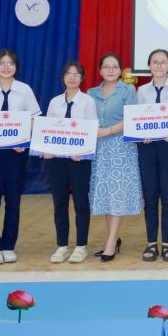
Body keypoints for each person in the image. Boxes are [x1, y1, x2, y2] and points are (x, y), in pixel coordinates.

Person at [0, 49, 40, 265]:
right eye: (2, 63)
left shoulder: (25, 90)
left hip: (16, 154)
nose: (6, 67)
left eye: (10, 63)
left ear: (16, 67)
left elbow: (34, 119)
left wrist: (24, 139)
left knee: (13, 200)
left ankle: (9, 245)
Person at [88, 53, 140, 262]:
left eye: (115, 67)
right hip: (98, 148)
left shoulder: (128, 90)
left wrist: (108, 131)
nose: (110, 70)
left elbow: (132, 118)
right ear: (100, 70)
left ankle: (110, 243)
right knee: (106, 194)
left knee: (117, 194)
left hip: (121, 147)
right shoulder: (91, 93)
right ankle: (114, 238)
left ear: (120, 71)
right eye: (106, 67)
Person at [45, 61, 98, 264]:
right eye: (69, 74)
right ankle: (62, 246)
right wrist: (46, 149)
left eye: (77, 74)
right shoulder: (54, 102)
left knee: (81, 203)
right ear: (63, 77)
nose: (72, 78)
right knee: (59, 203)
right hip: (56, 161)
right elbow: (48, 129)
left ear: (82, 79)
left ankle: (81, 246)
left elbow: (92, 129)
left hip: (79, 161)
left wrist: (82, 151)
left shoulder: (87, 101)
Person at [135, 49, 168, 263]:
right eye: (155, 62)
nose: (159, 65)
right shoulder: (141, 91)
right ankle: (150, 243)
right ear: (149, 66)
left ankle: (167, 243)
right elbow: (137, 119)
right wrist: (141, 134)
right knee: (150, 196)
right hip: (147, 147)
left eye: (163, 62)